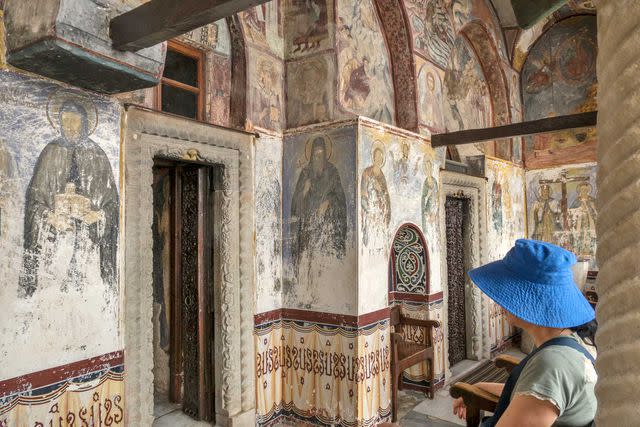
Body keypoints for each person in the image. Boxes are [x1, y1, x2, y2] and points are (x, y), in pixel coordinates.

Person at [453, 239, 597, 427]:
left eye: (507, 292)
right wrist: (478, 388)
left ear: (531, 302)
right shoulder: (567, 343)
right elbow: (530, 393)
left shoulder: (551, 365)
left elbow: (542, 386)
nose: (499, 302)